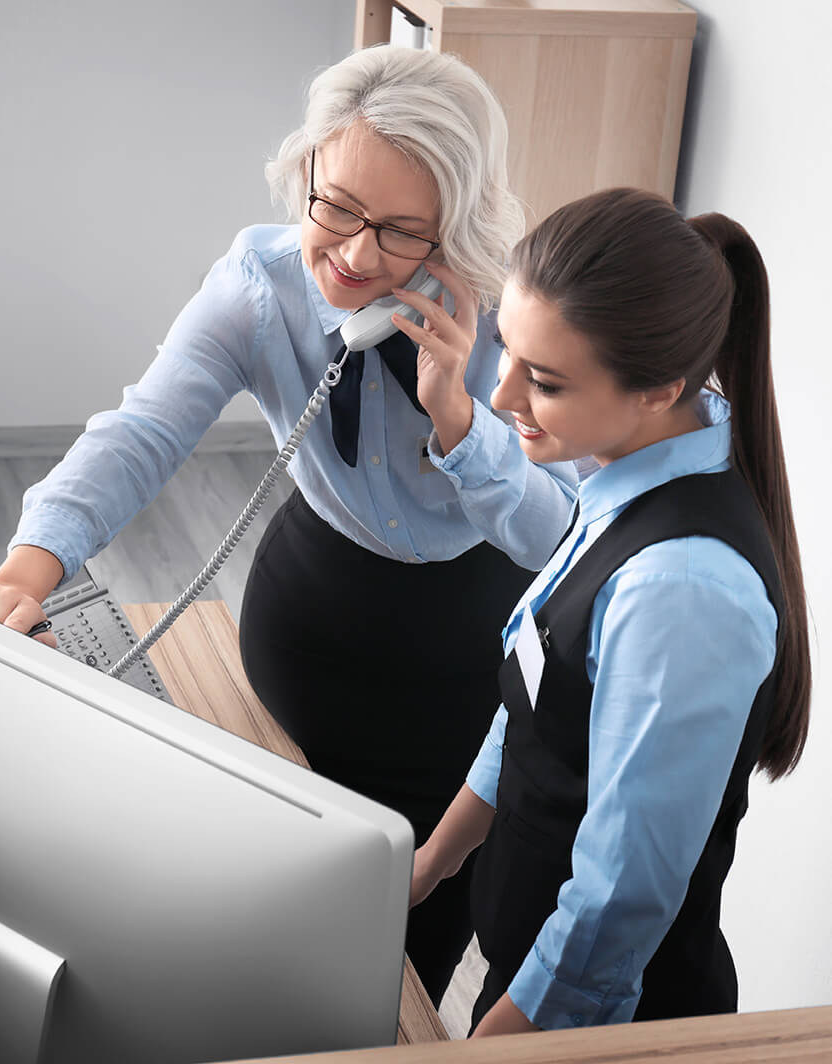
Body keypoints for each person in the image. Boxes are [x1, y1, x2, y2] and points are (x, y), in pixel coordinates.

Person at [0, 45, 578, 1005]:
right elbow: (142, 431)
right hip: (309, 637)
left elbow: (567, 547)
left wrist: (460, 419)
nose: (357, 255)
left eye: (401, 231)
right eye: (334, 206)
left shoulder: (518, 322)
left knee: (399, 967)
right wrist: (29, 568)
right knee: (267, 941)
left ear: (454, 232)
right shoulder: (262, 281)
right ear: (305, 175)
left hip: (464, 674)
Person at [406, 187, 811, 1035]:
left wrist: (492, 1045)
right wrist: (428, 865)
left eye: (544, 380)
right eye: (507, 353)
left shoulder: (684, 592)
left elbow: (618, 900)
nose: (504, 394)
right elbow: (540, 697)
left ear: (662, 387)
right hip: (528, 985)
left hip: (594, 1022)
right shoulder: (628, 462)